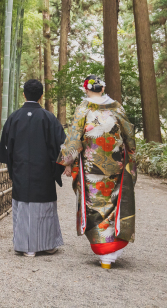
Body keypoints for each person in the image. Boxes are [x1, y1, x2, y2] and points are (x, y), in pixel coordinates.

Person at [57, 74, 136, 269]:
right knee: (115, 202)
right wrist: (131, 157)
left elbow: (74, 137)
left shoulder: (84, 108)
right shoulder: (117, 107)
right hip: (116, 165)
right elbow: (129, 135)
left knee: (94, 205)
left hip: (91, 167)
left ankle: (104, 252)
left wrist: (67, 162)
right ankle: (112, 251)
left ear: (86, 89)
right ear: (103, 88)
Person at [0, 78, 66, 257]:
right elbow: (62, 146)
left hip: (20, 171)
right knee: (44, 208)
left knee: (23, 207)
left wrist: (14, 166)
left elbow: (6, 148)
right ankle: (47, 245)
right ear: (41, 96)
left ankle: (25, 246)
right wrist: (60, 167)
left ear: (24, 95)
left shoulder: (14, 118)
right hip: (44, 172)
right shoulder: (49, 118)